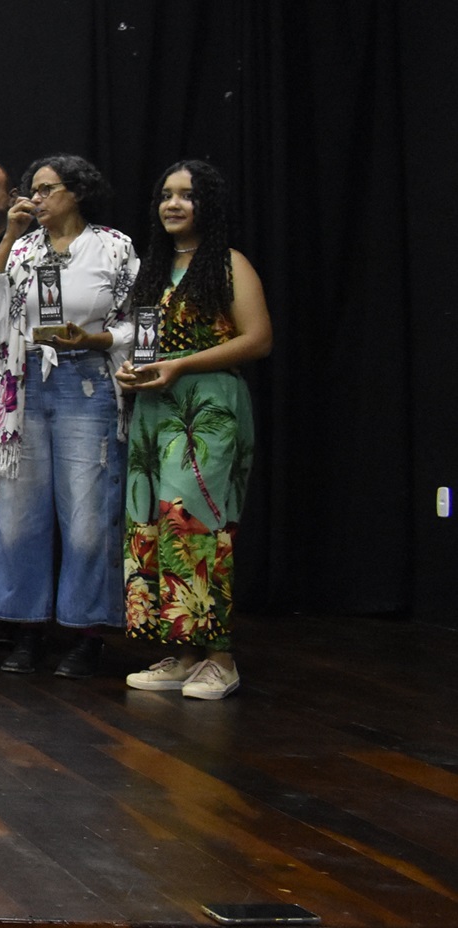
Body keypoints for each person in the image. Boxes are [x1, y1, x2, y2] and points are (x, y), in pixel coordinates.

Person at [0, 153, 137, 677]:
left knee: (87, 517)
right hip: (23, 387)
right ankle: (25, 628)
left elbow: (137, 323)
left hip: (88, 383)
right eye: (31, 190)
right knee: (19, 516)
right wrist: (5, 243)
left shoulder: (113, 247)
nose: (34, 199)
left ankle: (87, 633)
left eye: (45, 189)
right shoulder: (19, 249)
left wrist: (97, 340)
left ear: (77, 192)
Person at [118, 161, 272, 702]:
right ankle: (183, 654)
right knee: (151, 524)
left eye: (187, 195)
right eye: (166, 195)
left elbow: (258, 339)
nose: (174, 204)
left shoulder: (229, 264)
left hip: (207, 410)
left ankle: (220, 660)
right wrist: (134, 370)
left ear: (209, 204)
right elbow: (148, 344)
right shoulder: (154, 268)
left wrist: (182, 365)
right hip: (154, 409)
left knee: (195, 524)